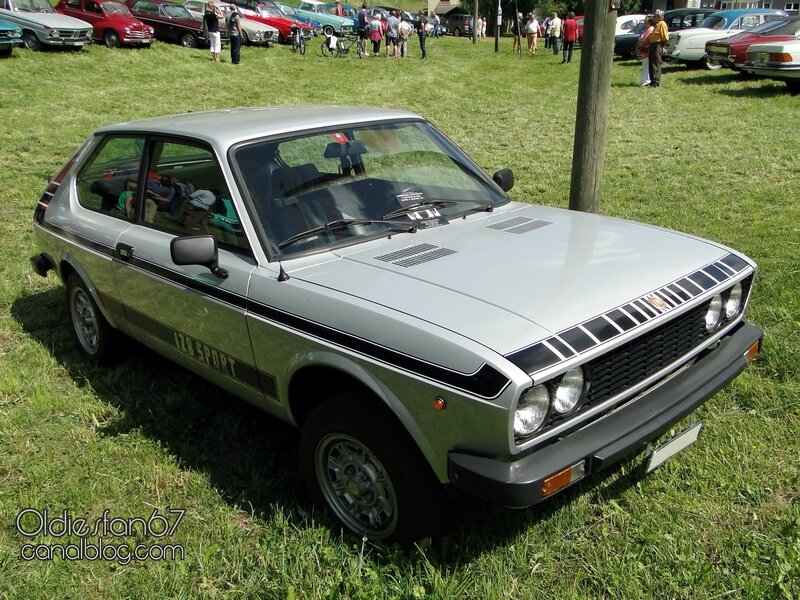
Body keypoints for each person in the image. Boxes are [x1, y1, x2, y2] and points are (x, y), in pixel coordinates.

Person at [648, 9, 669, 87]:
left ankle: (656, 82)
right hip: (653, 45)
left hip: (657, 45)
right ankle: (652, 81)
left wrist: (664, 47)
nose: (653, 18)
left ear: (659, 17)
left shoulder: (662, 24)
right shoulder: (656, 25)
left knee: (656, 63)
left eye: (655, 16)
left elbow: (665, 38)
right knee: (651, 63)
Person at [638, 16, 654, 86]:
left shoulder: (651, 29)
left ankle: (647, 81)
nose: (644, 23)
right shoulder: (645, 29)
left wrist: (643, 42)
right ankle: (643, 80)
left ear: (650, 22)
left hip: (647, 51)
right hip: (643, 51)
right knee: (644, 66)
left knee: (647, 66)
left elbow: (648, 40)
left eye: (646, 21)